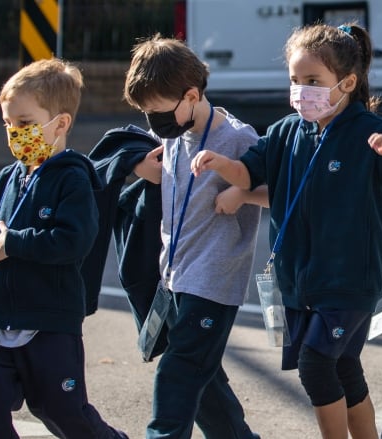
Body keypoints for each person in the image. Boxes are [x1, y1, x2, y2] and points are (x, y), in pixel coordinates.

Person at [191, 22, 382, 439]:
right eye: (295, 81)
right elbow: (249, 173)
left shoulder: (368, 131)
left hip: (350, 282)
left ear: (347, 82)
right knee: (343, 369)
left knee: (315, 364)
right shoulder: (285, 132)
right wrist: (219, 164)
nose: (302, 91)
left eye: (313, 81)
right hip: (301, 282)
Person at [0, 58, 127, 438]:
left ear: (61, 124)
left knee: (63, 413)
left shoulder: (73, 179)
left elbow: (74, 242)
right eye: (8, 124)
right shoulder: (7, 178)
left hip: (49, 324)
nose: (14, 133)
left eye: (24, 124)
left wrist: (15, 243)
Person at [123, 34, 267, 439]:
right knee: (205, 385)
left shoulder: (239, 138)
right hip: (175, 276)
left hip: (215, 279)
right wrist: (141, 167)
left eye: (158, 111)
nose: (154, 122)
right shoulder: (173, 137)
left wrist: (241, 193)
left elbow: (282, 192)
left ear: (190, 95)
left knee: (179, 372)